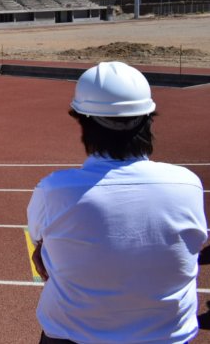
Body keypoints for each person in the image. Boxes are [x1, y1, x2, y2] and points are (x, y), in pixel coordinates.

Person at [27, 61, 207, 344]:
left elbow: (39, 249)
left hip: (72, 336)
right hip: (167, 338)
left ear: (83, 122)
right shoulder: (188, 184)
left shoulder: (54, 190)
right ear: (148, 118)